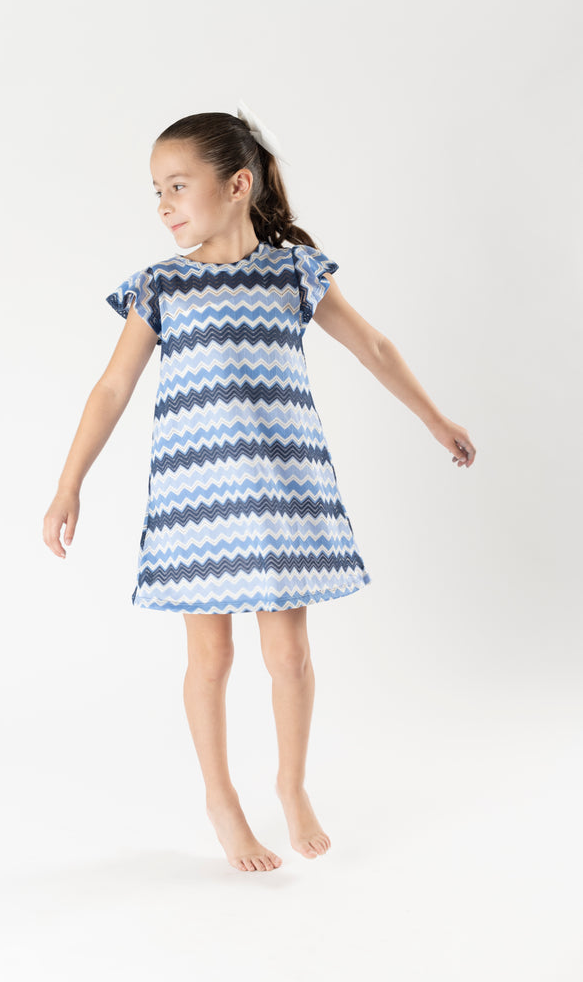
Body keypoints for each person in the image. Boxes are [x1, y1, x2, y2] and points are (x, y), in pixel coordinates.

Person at [43, 100, 476, 874]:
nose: (163, 205)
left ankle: (291, 784)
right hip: (196, 501)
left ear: (237, 184)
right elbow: (110, 389)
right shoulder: (160, 287)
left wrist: (433, 418)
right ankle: (221, 800)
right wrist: (68, 483)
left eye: (178, 186)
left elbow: (373, 346)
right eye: (156, 191)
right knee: (209, 658)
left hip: (282, 490)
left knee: (289, 654)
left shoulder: (294, 273)